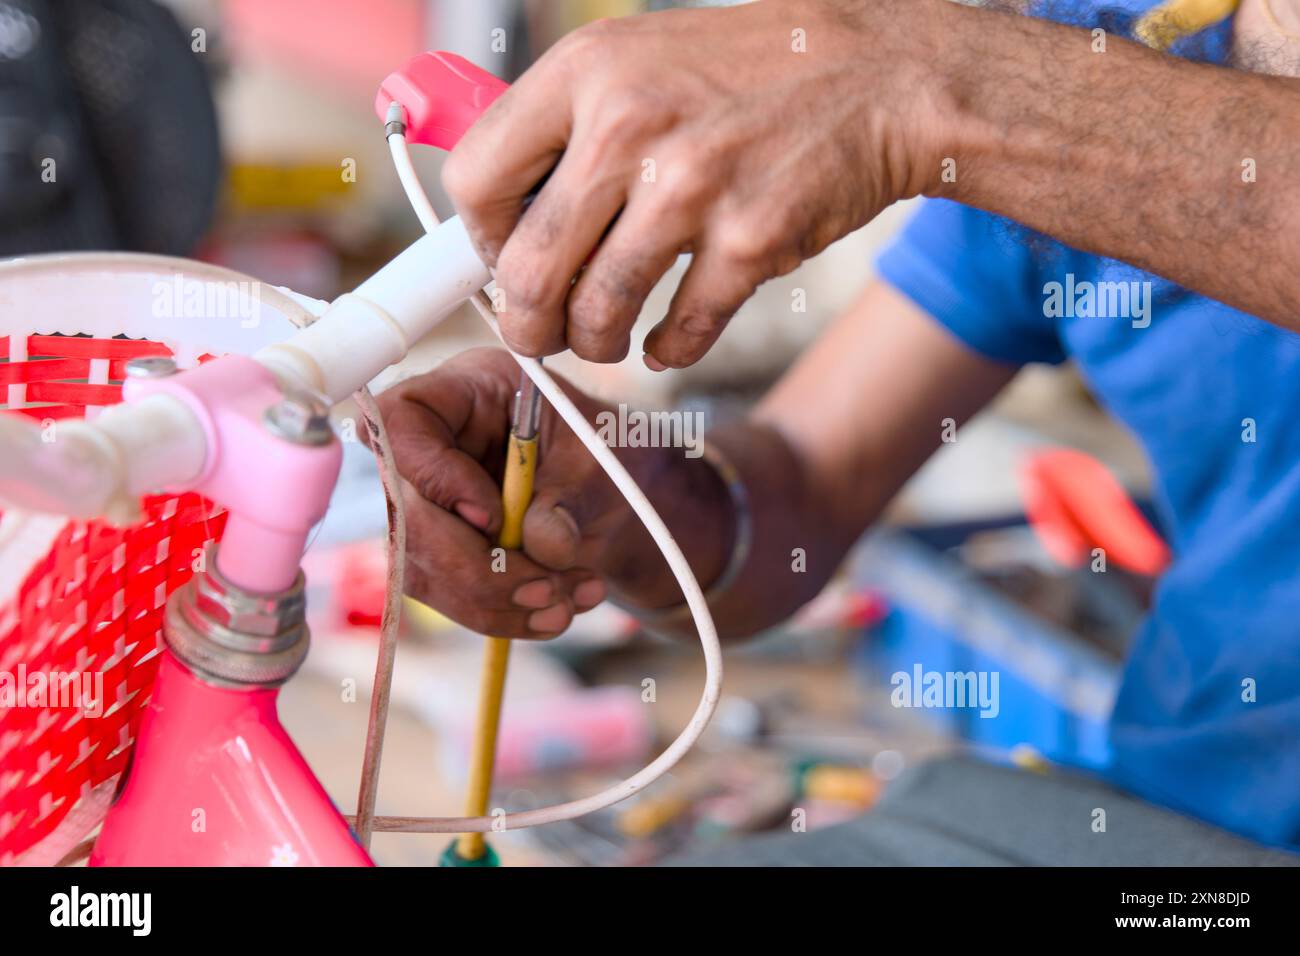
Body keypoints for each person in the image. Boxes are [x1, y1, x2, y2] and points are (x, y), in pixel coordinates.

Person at [377, 0, 1300, 861]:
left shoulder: (1024, 94)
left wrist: (930, 90)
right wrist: (613, 489)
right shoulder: (1110, 45)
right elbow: (805, 483)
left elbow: (962, 96)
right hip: (1181, 832)